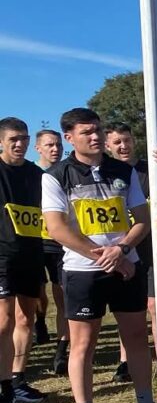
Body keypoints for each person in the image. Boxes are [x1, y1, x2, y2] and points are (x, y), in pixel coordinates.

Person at [42, 108, 157, 403]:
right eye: (87, 132)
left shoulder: (123, 170)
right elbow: (58, 228)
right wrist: (103, 256)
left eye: (97, 130)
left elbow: (142, 218)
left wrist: (121, 250)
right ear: (69, 137)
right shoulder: (55, 175)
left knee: (136, 336)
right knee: (83, 345)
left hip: (126, 266)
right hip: (82, 271)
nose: (94, 136)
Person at [104, 123, 157, 383]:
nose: (123, 145)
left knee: (155, 305)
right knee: (128, 308)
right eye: (117, 141)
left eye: (126, 139)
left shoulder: (149, 169)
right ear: (108, 145)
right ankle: (125, 361)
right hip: (122, 250)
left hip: (154, 250)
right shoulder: (106, 173)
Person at [0, 118, 47, 403]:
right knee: (3, 320)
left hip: (31, 253)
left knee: (26, 319)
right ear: (1, 142)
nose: (20, 144)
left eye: (25, 139)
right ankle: (4, 384)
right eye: (14, 139)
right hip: (2, 254)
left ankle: (17, 378)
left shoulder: (36, 174)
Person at [34, 128, 68, 375]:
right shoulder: (30, 174)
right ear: (38, 148)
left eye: (58, 145)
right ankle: (40, 320)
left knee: (63, 297)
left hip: (60, 244)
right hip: (34, 243)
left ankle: (61, 352)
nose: (55, 149)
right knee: (37, 294)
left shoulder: (67, 172)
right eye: (49, 145)